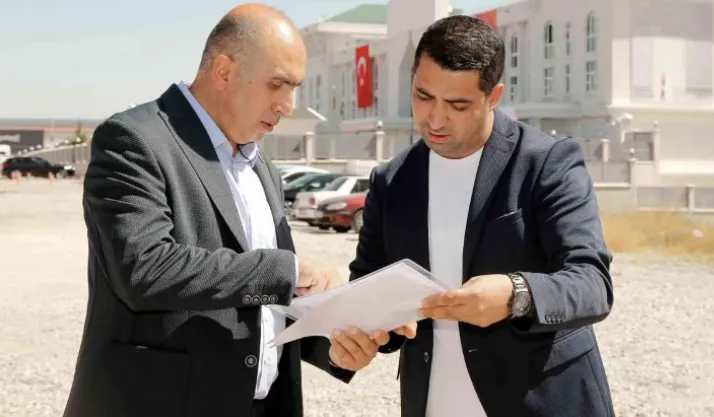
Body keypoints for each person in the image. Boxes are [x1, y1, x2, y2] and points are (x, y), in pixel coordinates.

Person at [62, 4, 385, 417]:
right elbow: (144, 269)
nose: (288, 105)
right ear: (224, 71)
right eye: (276, 84)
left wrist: (334, 349)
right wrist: (288, 270)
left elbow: (265, 305)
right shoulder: (134, 140)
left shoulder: (261, 167)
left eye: (294, 88)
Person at [347, 15, 616, 417]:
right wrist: (362, 337)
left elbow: (592, 283)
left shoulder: (547, 162)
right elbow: (367, 288)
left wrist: (515, 295)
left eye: (458, 105)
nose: (435, 119)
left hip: (539, 403)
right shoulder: (391, 180)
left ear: (494, 96)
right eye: (423, 96)